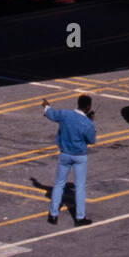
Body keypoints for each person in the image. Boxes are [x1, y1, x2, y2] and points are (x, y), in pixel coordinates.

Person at [43, 95, 96, 226]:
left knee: (59, 184)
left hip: (65, 154)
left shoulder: (65, 114)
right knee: (80, 187)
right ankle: (79, 218)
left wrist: (46, 106)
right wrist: (91, 122)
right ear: (88, 107)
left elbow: (51, 114)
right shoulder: (87, 123)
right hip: (79, 156)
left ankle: (53, 215)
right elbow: (91, 140)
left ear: (77, 104)